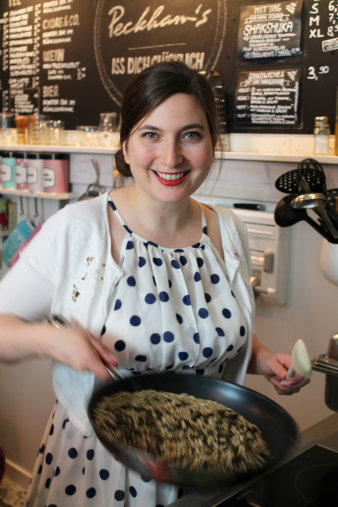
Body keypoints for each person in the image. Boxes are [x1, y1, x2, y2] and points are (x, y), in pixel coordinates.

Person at [0, 61, 309, 506]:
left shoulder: (228, 231)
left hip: (207, 466)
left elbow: (203, 325)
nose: (171, 157)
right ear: (125, 145)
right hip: (100, 472)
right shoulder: (81, 229)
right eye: (151, 134)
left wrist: (260, 358)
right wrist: (53, 341)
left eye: (190, 134)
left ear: (211, 144)